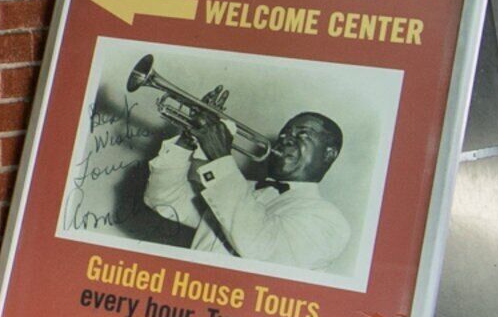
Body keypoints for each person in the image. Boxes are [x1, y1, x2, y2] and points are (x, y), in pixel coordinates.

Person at [144, 114, 352, 271]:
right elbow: (164, 199)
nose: (287, 139)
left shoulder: (329, 220)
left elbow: (261, 248)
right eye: (284, 134)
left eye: (303, 134)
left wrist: (220, 158)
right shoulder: (238, 187)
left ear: (329, 154)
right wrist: (186, 142)